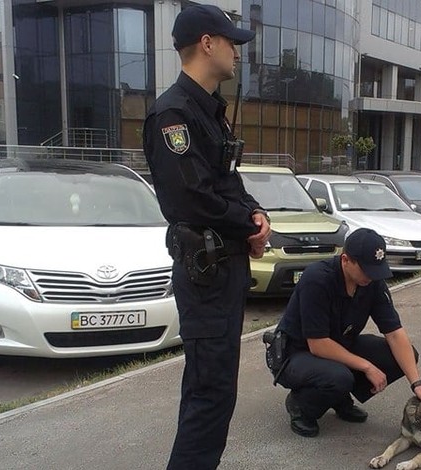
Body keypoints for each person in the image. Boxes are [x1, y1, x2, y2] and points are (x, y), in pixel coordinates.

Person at [142, 5, 270, 469]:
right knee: (209, 395)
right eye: (230, 41)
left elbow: (224, 181)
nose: (237, 51)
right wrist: (243, 223)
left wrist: (255, 215)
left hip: (222, 268)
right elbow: (192, 196)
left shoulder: (206, 110)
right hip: (206, 273)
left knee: (215, 393)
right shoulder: (173, 113)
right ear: (207, 43)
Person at [272, 228, 421, 437]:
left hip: (340, 344)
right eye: (366, 269)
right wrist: (367, 366)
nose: (371, 276)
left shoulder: (371, 282)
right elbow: (318, 344)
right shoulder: (317, 279)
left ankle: (338, 396)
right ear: (346, 260)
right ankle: (301, 405)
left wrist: (417, 384)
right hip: (296, 354)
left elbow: (395, 333)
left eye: (376, 270)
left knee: (403, 356)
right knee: (339, 377)